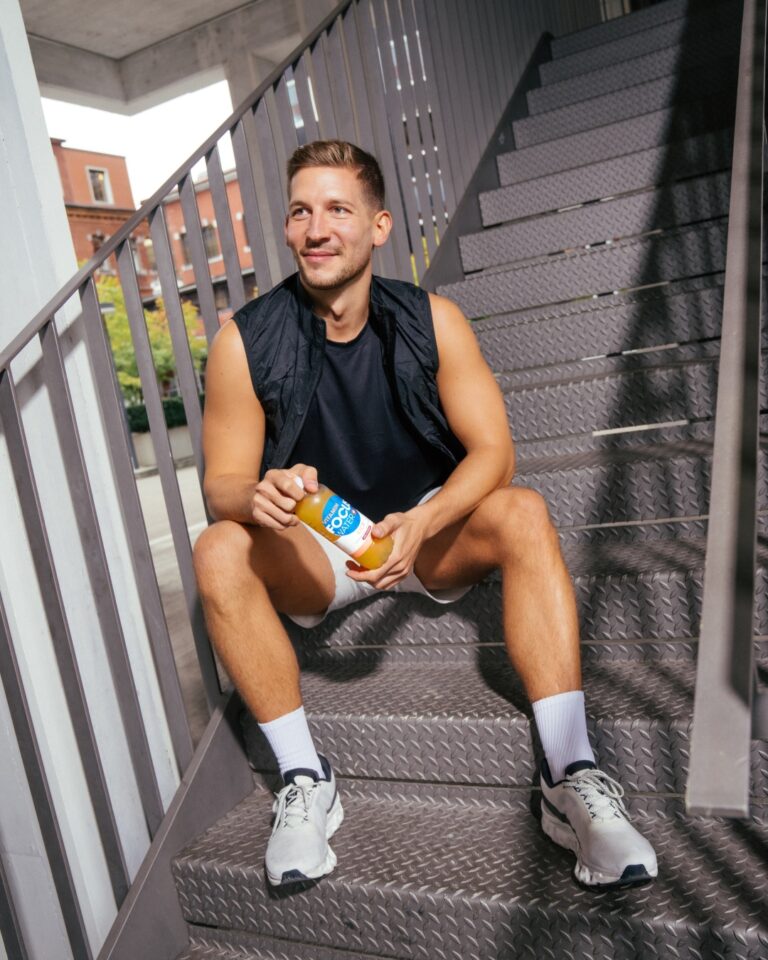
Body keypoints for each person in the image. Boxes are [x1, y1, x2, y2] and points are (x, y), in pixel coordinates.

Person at [192, 139, 657, 890]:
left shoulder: (431, 318)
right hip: (319, 546)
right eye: (301, 211)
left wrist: (425, 521)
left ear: (378, 227)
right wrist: (257, 496)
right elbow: (221, 484)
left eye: (338, 209)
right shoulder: (244, 339)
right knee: (218, 546)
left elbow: (495, 454)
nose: (316, 228)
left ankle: (569, 774)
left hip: (425, 531)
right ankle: (307, 780)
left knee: (524, 511)